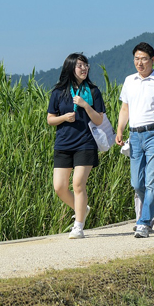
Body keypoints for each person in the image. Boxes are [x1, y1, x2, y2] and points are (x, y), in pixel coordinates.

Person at [115, 42, 154, 239]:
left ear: (152, 60)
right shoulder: (129, 81)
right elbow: (125, 108)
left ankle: (143, 222)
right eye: (136, 59)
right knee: (136, 183)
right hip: (135, 135)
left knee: (152, 181)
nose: (139, 63)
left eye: (143, 59)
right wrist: (120, 130)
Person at [46, 53, 106, 240]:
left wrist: (85, 105)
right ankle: (82, 208)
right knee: (59, 187)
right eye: (79, 65)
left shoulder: (93, 91)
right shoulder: (58, 92)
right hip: (63, 143)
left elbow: (99, 119)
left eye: (85, 65)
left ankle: (78, 226)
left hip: (85, 143)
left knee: (78, 183)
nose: (84, 68)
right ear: (70, 68)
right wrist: (64, 118)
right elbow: (50, 119)